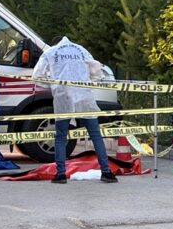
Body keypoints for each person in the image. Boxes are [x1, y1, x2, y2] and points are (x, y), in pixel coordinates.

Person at [31, 36, 117, 184]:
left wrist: (53, 87)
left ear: (54, 43)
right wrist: (87, 83)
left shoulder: (50, 52)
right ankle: (106, 172)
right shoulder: (81, 50)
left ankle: (61, 175)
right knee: (95, 135)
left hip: (63, 97)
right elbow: (98, 71)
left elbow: (37, 76)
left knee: (61, 137)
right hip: (84, 97)